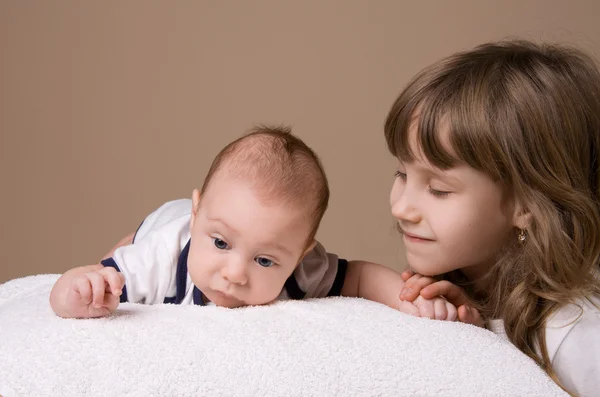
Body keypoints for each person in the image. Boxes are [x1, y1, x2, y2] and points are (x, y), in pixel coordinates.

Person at [50, 126, 455, 321]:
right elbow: (71, 294)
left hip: (199, 216)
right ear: (199, 215)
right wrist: (80, 289)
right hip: (164, 223)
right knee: (117, 260)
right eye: (221, 244)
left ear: (301, 252)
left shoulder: (301, 266)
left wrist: (409, 300)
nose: (235, 274)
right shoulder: (161, 259)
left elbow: (361, 278)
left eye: (265, 261)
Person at [388, 40, 600, 396]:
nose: (400, 208)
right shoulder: (458, 292)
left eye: (438, 189)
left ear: (528, 205)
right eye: (401, 175)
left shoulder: (579, 336)